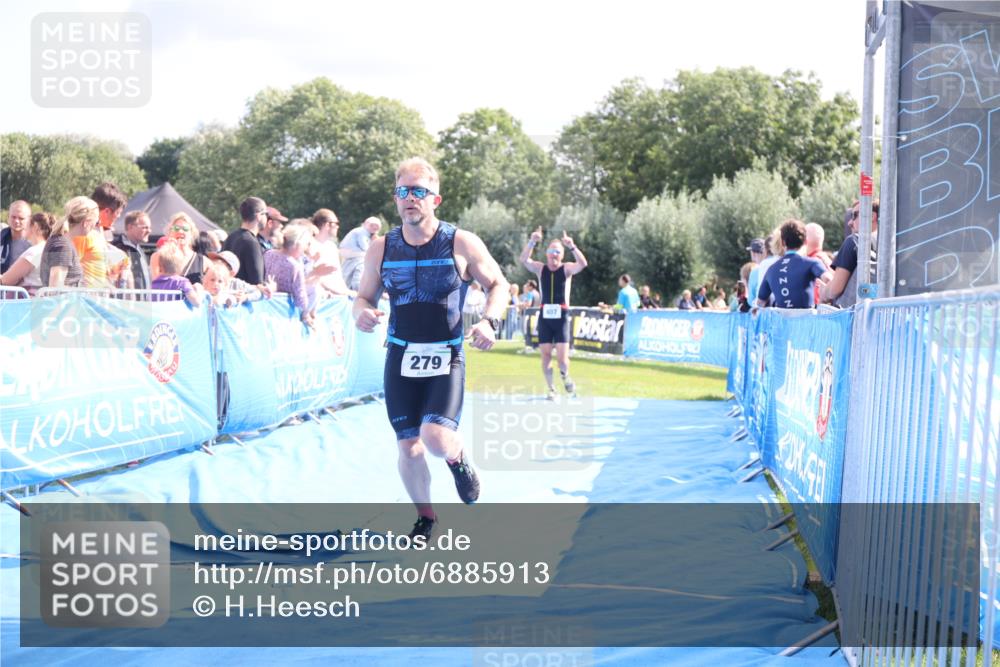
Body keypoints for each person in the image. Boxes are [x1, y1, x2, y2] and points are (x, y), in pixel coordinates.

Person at [353, 157, 509, 540]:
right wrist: (362, 313)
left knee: (436, 438)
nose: (411, 199)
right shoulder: (380, 247)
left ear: (435, 200)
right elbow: (363, 297)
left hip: (447, 355)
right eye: (403, 191)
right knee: (409, 447)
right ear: (395, 199)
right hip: (401, 355)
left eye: (419, 192)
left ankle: (458, 460)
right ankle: (426, 517)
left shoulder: (460, 242)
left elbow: (499, 285)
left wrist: (490, 321)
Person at [520, 227, 589, 400]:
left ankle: (566, 377)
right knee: (545, 354)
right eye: (551, 251)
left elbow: (583, 264)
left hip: (562, 318)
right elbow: (523, 259)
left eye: (557, 251)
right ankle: (551, 389)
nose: (553, 254)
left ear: (562, 255)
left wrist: (572, 246)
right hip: (545, 317)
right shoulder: (540, 268)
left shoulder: (566, 269)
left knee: (562, 359)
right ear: (547, 254)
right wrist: (532, 241)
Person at [757, 219, 831, 309]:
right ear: (805, 242)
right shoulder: (812, 263)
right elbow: (828, 279)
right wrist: (824, 297)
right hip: (807, 320)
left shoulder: (771, 269)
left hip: (783, 321)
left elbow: (760, 302)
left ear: (783, 243)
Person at [823, 200, 878, 308]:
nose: (849, 223)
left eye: (854, 216)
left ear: (872, 216)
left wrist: (823, 291)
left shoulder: (853, 241)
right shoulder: (894, 247)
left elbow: (835, 289)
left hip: (853, 318)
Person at [264, 223, 316, 329]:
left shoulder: (268, 254)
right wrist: (306, 313)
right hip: (285, 316)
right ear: (297, 244)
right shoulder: (294, 266)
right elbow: (300, 297)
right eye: (305, 244)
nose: (304, 249)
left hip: (266, 308)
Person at [0, 212, 54, 294]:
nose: (25, 227)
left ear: (35, 227)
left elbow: (6, 280)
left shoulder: (35, 252)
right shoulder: (48, 249)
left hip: (25, 303)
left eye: (28, 224)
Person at [150, 213, 207, 284]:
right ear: (170, 232)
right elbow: (157, 283)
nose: (180, 231)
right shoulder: (158, 257)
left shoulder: (204, 261)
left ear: (191, 233)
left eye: (185, 229)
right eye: (176, 228)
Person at [223, 197, 268, 285]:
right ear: (259, 216)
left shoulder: (231, 237)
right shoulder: (251, 243)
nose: (267, 217)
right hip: (245, 296)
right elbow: (257, 282)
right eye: (265, 214)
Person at [39, 202, 84, 288]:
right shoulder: (63, 245)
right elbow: (55, 289)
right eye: (96, 222)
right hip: (63, 301)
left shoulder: (63, 242)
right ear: (86, 222)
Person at [150, 241, 204, 306]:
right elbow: (197, 303)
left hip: (157, 314)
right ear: (181, 266)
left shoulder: (153, 284)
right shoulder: (182, 282)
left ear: (160, 266)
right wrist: (200, 291)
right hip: (175, 314)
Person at [340, 216, 382, 291]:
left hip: (352, 253)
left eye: (376, 226)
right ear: (366, 223)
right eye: (372, 225)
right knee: (366, 260)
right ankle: (359, 288)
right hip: (351, 252)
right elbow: (364, 247)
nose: (374, 227)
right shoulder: (362, 231)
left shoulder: (366, 233)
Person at [113, 211, 152, 289]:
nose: (149, 231)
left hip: (142, 300)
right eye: (145, 227)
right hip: (127, 300)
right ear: (130, 227)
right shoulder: (119, 248)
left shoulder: (139, 250)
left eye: (149, 228)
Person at [1, 200, 32, 273]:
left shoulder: (34, 243)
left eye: (21, 218)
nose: (16, 221)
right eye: (13, 217)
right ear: (8, 217)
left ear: (29, 219)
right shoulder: (1, 237)